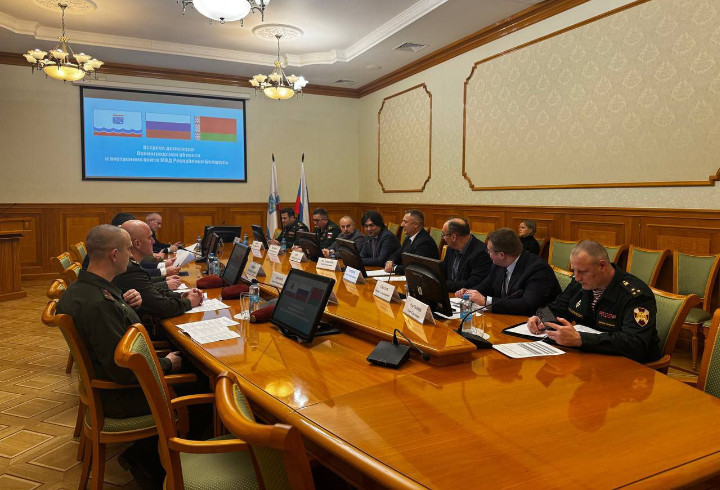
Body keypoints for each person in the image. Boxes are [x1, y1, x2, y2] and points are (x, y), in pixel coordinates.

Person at [56, 224, 182, 418]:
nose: (131, 256)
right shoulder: (100, 304)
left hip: (114, 386)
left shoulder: (81, 289)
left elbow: (109, 332)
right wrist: (167, 363)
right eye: (128, 250)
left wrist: (125, 305)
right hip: (124, 397)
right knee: (202, 383)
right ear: (114, 255)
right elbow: (123, 370)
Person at [527, 240, 661, 363]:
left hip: (630, 366)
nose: (577, 277)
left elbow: (634, 343)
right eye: (574, 270)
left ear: (602, 265)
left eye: (582, 272)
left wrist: (580, 339)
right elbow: (557, 307)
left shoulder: (635, 295)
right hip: (590, 358)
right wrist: (541, 317)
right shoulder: (580, 283)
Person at [114, 220, 203, 336]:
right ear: (137, 244)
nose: (153, 241)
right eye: (149, 238)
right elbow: (162, 307)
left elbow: (150, 289)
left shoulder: (131, 266)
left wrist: (181, 296)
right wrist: (189, 302)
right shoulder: (129, 269)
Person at [457, 228, 561, 316]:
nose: (488, 254)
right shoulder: (499, 264)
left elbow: (527, 305)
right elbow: (487, 285)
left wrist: (485, 301)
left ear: (501, 255)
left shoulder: (538, 269)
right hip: (506, 317)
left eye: (489, 251)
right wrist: (470, 292)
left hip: (535, 323)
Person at [441, 218, 492, 291]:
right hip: (450, 293)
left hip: (466, 295)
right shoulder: (451, 248)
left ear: (453, 237)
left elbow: (472, 284)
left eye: (444, 235)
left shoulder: (481, 253)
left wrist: (443, 284)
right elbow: (443, 271)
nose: (443, 238)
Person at [384, 210, 438, 274]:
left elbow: (415, 268)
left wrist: (394, 268)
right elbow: (397, 254)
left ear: (416, 224)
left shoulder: (425, 242)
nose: (401, 224)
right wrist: (390, 262)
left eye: (405, 222)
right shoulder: (408, 238)